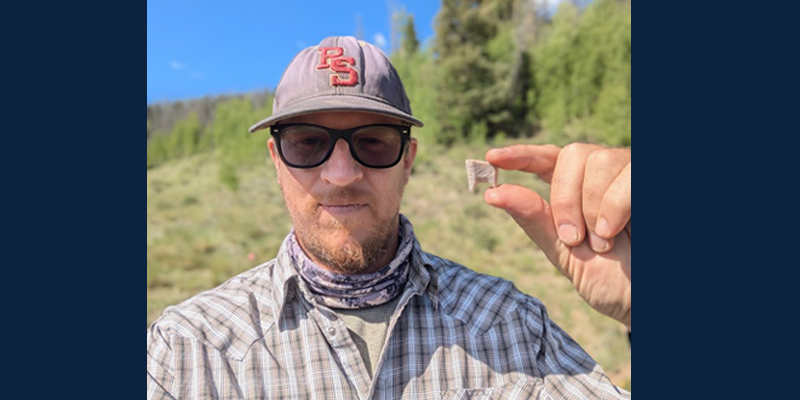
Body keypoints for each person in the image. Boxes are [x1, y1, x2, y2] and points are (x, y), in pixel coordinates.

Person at [147, 36, 631, 399]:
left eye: (374, 141)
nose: (341, 173)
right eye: (308, 143)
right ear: (276, 160)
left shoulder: (509, 325)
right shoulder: (190, 350)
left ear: (408, 159)